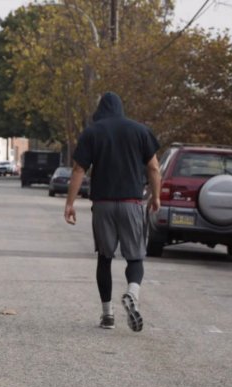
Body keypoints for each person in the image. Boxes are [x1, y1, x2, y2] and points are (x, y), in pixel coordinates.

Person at [64, 92, 161, 332]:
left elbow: (78, 169)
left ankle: (107, 315)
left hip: (103, 203)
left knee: (105, 258)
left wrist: (70, 203)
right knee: (135, 256)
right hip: (131, 202)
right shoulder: (140, 131)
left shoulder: (93, 132)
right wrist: (156, 196)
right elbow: (154, 167)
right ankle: (132, 293)